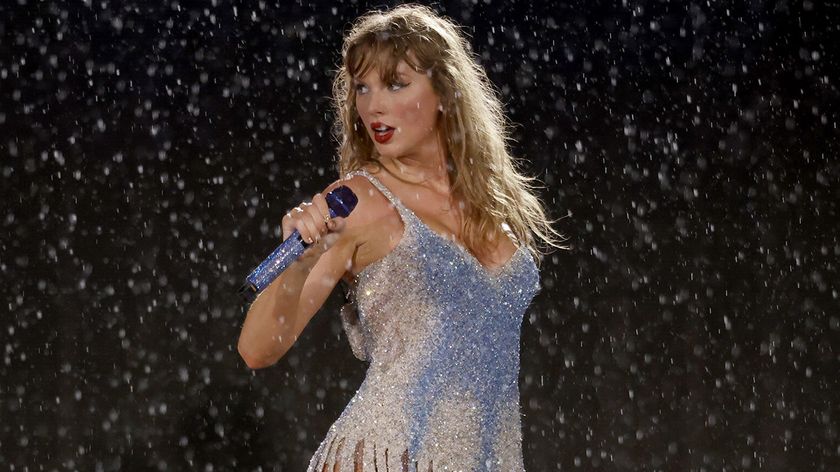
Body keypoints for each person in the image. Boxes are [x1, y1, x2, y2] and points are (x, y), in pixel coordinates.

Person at [237, 4, 566, 470]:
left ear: (445, 92)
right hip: (387, 455)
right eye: (362, 88)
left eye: (395, 84)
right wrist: (300, 265)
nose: (373, 106)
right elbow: (256, 350)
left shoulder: (492, 203)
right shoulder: (356, 202)